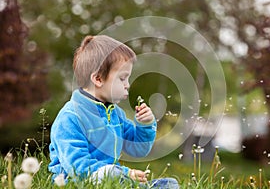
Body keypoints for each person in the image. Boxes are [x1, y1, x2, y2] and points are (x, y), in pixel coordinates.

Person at [48, 35, 179, 188]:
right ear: (98, 79)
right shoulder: (70, 117)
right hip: (76, 182)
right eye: (122, 78)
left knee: (170, 184)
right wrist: (122, 173)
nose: (127, 85)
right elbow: (77, 166)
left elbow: (138, 149)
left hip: (111, 180)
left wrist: (145, 125)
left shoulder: (115, 113)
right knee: (118, 178)